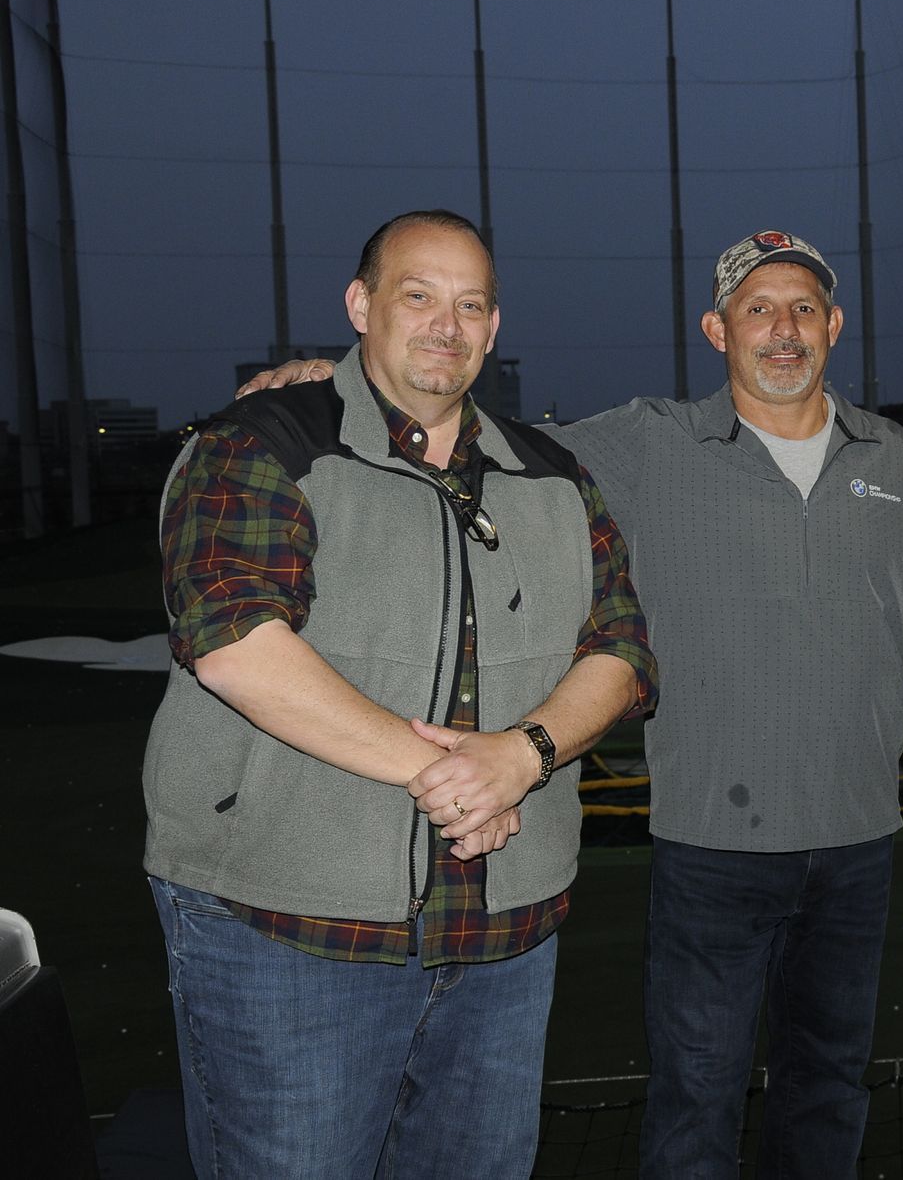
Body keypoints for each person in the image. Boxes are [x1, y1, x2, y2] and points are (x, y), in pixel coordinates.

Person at [243, 228, 903, 1178]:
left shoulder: (899, 459)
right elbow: (476, 439)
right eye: (758, 309)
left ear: (835, 324)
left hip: (860, 838)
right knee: (696, 1098)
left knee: (829, 1089)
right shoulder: (649, 440)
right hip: (711, 842)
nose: (784, 329)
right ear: (718, 329)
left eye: (804, 309)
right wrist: (338, 385)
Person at [145, 209, 656, 1176]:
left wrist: (523, 756)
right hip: (287, 929)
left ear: (494, 327)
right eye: (417, 295)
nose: (445, 325)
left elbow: (623, 648)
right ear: (360, 304)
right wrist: (454, 775)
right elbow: (234, 640)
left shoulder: (552, 476)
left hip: (503, 935)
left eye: (470, 304)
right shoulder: (259, 443)